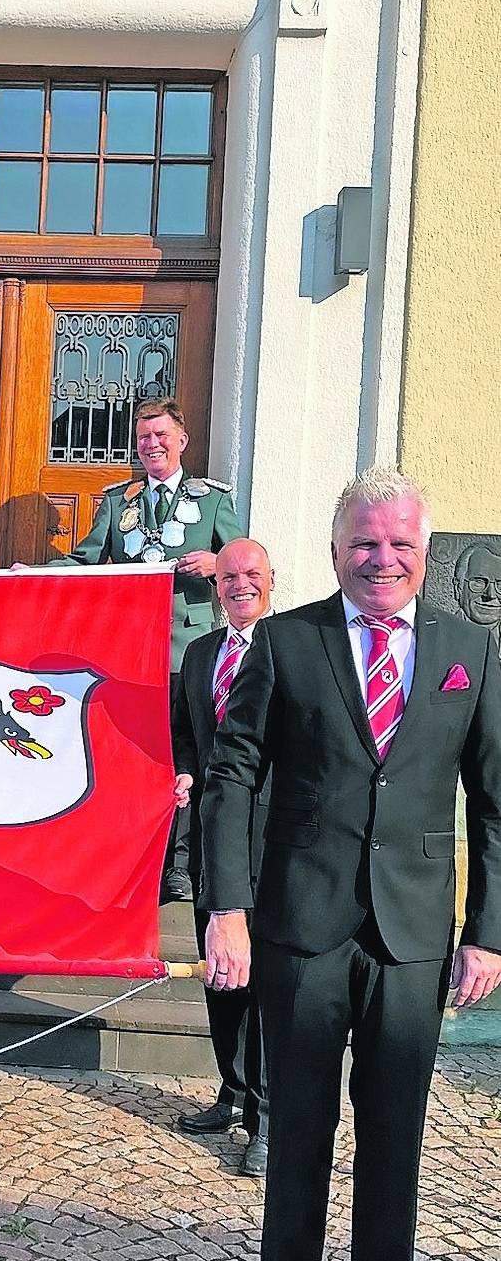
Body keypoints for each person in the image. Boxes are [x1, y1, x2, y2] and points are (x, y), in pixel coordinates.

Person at [202, 467, 501, 1261]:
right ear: (336, 549)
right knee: (298, 1130)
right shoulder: (286, 641)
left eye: (399, 542)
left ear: (424, 551)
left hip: (412, 934)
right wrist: (225, 906)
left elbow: (497, 801)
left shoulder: (468, 649)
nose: (382, 557)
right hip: (302, 923)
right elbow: (230, 774)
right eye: (364, 542)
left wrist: (489, 932)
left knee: (395, 1135)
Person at [54, 397, 243, 901]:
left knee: (184, 757)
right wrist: (36, 576)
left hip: (192, 654)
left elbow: (246, 566)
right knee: (129, 758)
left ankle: (179, 865)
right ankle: (131, 856)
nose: (152, 445)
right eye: (143, 438)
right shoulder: (119, 502)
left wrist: (217, 559)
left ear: (182, 441)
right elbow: (87, 561)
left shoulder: (213, 501)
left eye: (161, 435)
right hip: (130, 656)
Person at [170, 538, 273, 1176]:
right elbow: (186, 735)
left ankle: (265, 1118)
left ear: (270, 581)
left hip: (270, 841)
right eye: (229, 577)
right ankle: (230, 1092)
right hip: (212, 835)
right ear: (217, 588)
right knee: (219, 974)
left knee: (261, 982)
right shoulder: (199, 656)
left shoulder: (289, 647)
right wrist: (183, 774)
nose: (239, 585)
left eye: (251, 575)